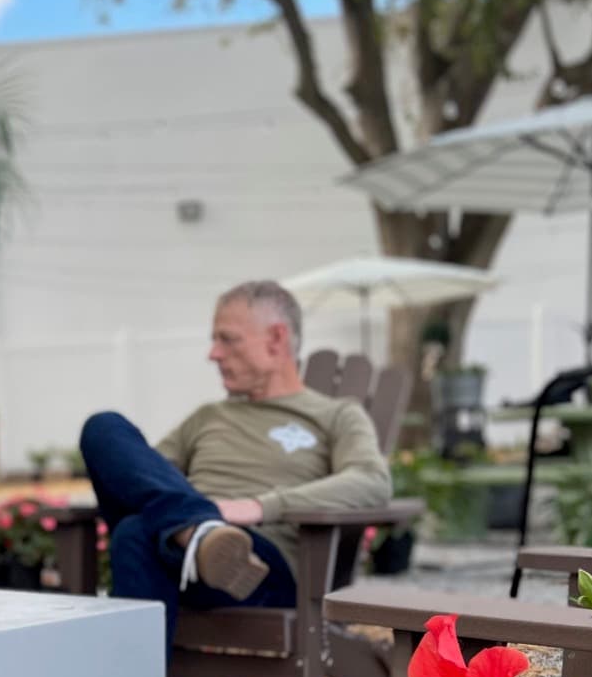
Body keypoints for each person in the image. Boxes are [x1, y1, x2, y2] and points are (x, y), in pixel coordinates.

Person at [80, 281, 391, 658]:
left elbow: (372, 481)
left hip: (258, 566)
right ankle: (198, 530)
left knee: (134, 533)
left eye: (228, 340)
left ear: (276, 339)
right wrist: (204, 517)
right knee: (104, 427)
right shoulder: (208, 417)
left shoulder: (336, 415)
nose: (213, 354)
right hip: (177, 558)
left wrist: (258, 507)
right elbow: (140, 475)